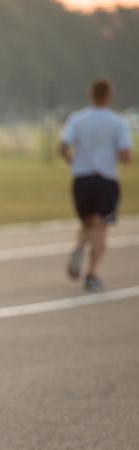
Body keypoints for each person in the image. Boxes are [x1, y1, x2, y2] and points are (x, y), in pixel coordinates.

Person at [60, 78, 133, 292]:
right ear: (109, 96)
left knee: (86, 223)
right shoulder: (118, 122)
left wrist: (75, 163)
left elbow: (63, 147)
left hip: (81, 178)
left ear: (91, 95)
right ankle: (91, 274)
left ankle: (79, 247)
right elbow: (126, 154)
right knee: (101, 228)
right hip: (105, 178)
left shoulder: (77, 118)